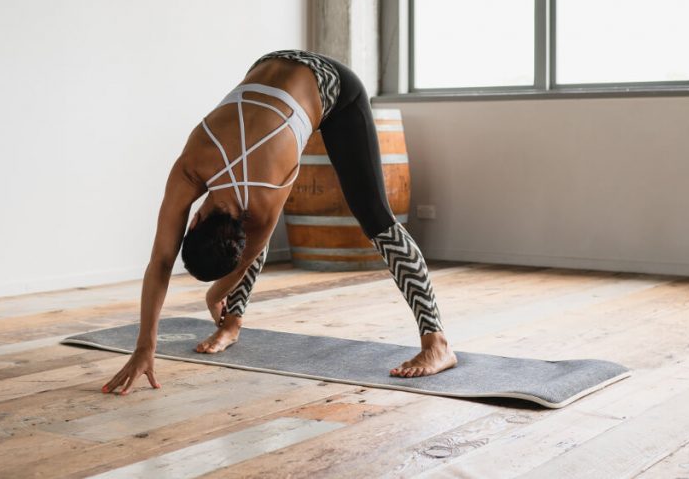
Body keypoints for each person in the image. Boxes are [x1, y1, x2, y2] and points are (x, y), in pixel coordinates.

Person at [102, 50, 456, 396]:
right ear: (194, 222)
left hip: (335, 88)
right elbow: (169, 261)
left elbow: (225, 257)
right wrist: (145, 346)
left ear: (193, 220)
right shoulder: (192, 165)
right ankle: (232, 325)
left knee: (377, 219)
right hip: (273, 63)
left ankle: (437, 343)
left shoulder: (265, 193)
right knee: (263, 232)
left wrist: (213, 295)